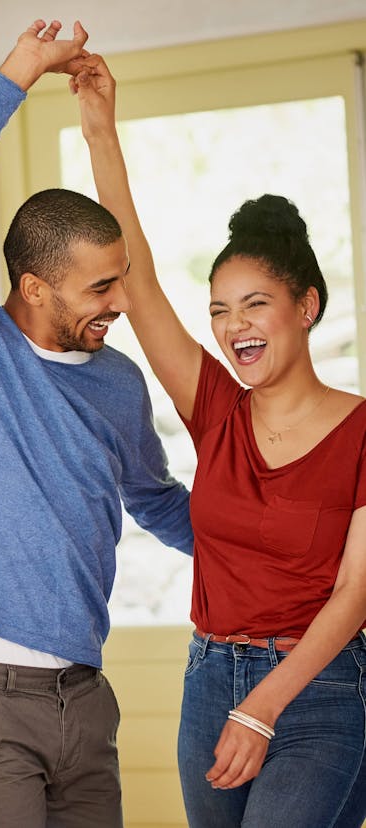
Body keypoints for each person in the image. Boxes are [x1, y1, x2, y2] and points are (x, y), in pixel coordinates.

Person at [0, 19, 194, 828]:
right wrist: (18, 74)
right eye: (101, 288)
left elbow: (158, 501)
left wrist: (277, 548)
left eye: (121, 279)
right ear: (34, 287)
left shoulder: (118, 383)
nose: (122, 302)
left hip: (84, 699)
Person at [73, 53, 366, 828]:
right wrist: (100, 127)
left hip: (322, 690)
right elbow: (136, 282)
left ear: (306, 307)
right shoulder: (217, 410)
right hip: (208, 680)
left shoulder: (363, 432)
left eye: (255, 304)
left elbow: (356, 594)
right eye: (219, 310)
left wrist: (263, 707)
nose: (235, 326)